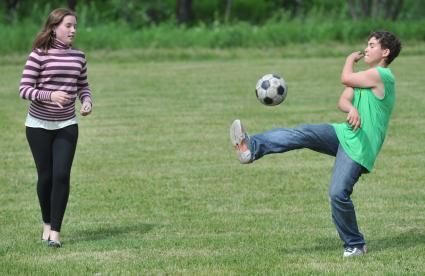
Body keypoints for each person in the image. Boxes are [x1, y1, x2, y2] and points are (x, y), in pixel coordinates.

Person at [229, 31, 401, 257]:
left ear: (385, 52)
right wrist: (352, 109)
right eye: (366, 45)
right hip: (344, 133)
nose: (366, 49)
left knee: (338, 194)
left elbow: (346, 78)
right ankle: (251, 148)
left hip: (360, 146)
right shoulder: (366, 76)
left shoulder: (382, 76)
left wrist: (349, 60)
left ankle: (355, 244)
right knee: (303, 133)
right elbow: (343, 100)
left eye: (371, 45)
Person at [19, 8, 93, 248]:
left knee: (61, 175)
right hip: (38, 126)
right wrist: (50, 95)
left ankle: (56, 233)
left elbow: (83, 85)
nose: (73, 30)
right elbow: (24, 89)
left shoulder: (79, 57)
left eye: (75, 26)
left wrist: (88, 101)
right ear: (54, 28)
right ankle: (46, 224)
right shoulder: (38, 56)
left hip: (67, 124)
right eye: (68, 25)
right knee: (46, 177)